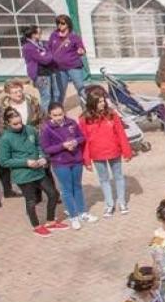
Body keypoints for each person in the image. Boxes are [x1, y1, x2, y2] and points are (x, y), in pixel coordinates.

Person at [0, 106, 62, 236]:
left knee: (53, 194)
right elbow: (4, 161)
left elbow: (39, 145)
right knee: (31, 200)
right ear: (8, 123)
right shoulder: (5, 139)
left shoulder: (30, 129)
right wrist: (25, 162)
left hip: (38, 170)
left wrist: (42, 156)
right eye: (15, 124)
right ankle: (36, 226)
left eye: (20, 122)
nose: (19, 126)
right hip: (23, 175)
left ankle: (50, 221)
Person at [81, 86, 133, 217]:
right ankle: (109, 204)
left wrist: (127, 151)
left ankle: (122, 202)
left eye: (103, 100)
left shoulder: (112, 114)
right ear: (92, 102)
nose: (103, 103)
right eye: (99, 101)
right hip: (97, 154)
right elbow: (84, 141)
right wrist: (86, 160)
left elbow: (120, 133)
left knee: (118, 176)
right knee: (103, 179)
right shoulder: (84, 119)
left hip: (114, 151)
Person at [39, 102, 89, 229]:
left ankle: (82, 212)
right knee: (67, 189)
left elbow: (82, 137)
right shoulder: (46, 129)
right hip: (60, 162)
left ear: (64, 112)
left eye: (60, 114)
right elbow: (46, 148)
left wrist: (75, 141)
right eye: (55, 115)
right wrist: (62, 146)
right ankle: (73, 216)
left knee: (77, 186)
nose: (58, 117)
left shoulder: (71, 123)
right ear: (50, 115)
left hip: (76, 159)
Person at [19, 25, 57, 113]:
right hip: (40, 74)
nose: (41, 35)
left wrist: (47, 54)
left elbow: (49, 52)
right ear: (33, 35)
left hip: (49, 71)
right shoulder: (28, 47)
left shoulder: (41, 43)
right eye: (39, 33)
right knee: (46, 96)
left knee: (55, 94)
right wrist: (49, 55)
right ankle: (44, 116)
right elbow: (44, 60)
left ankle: (53, 113)